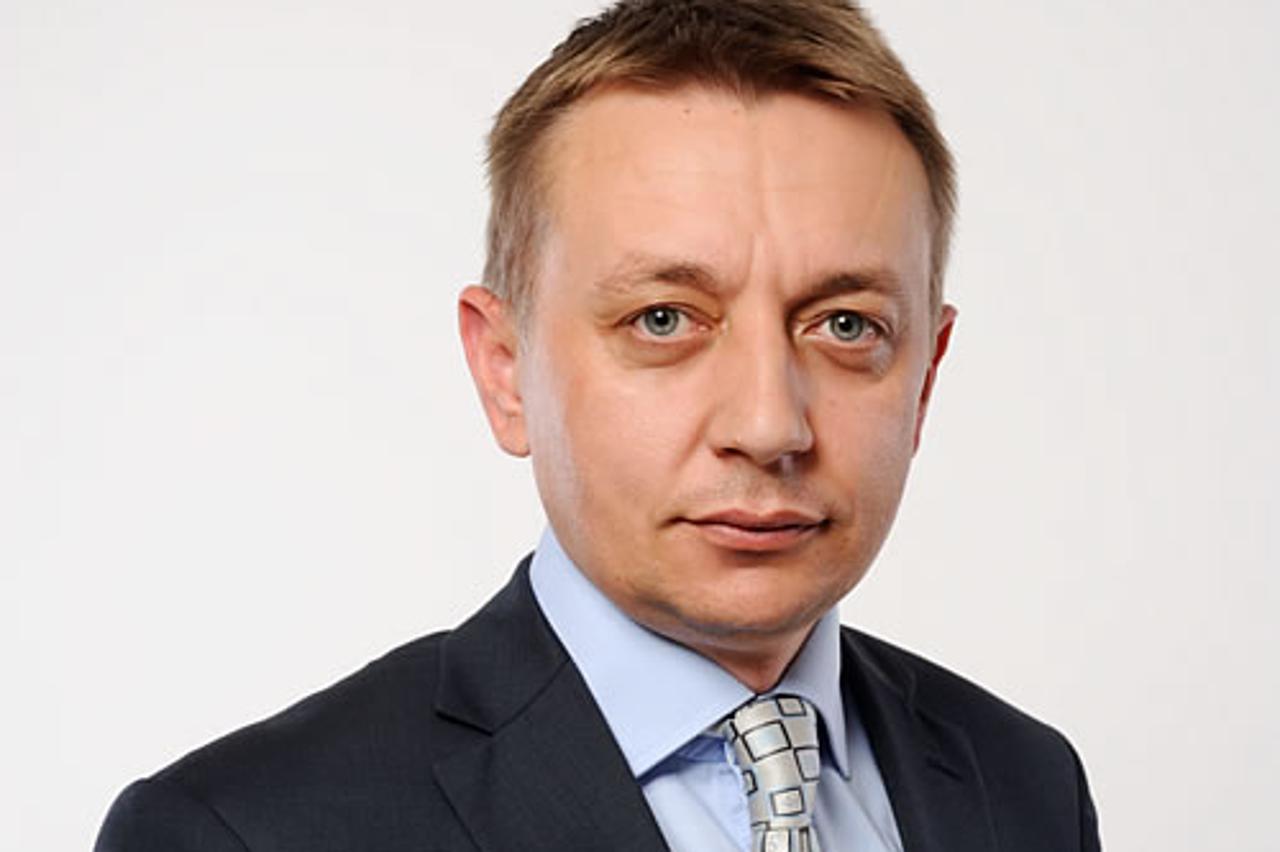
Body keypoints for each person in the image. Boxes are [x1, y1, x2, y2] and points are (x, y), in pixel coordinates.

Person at [95, 1, 1101, 850]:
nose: (767, 426)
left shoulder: (1025, 783)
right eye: (663, 319)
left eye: (845, 325)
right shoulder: (240, 831)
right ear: (505, 372)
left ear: (923, 379)